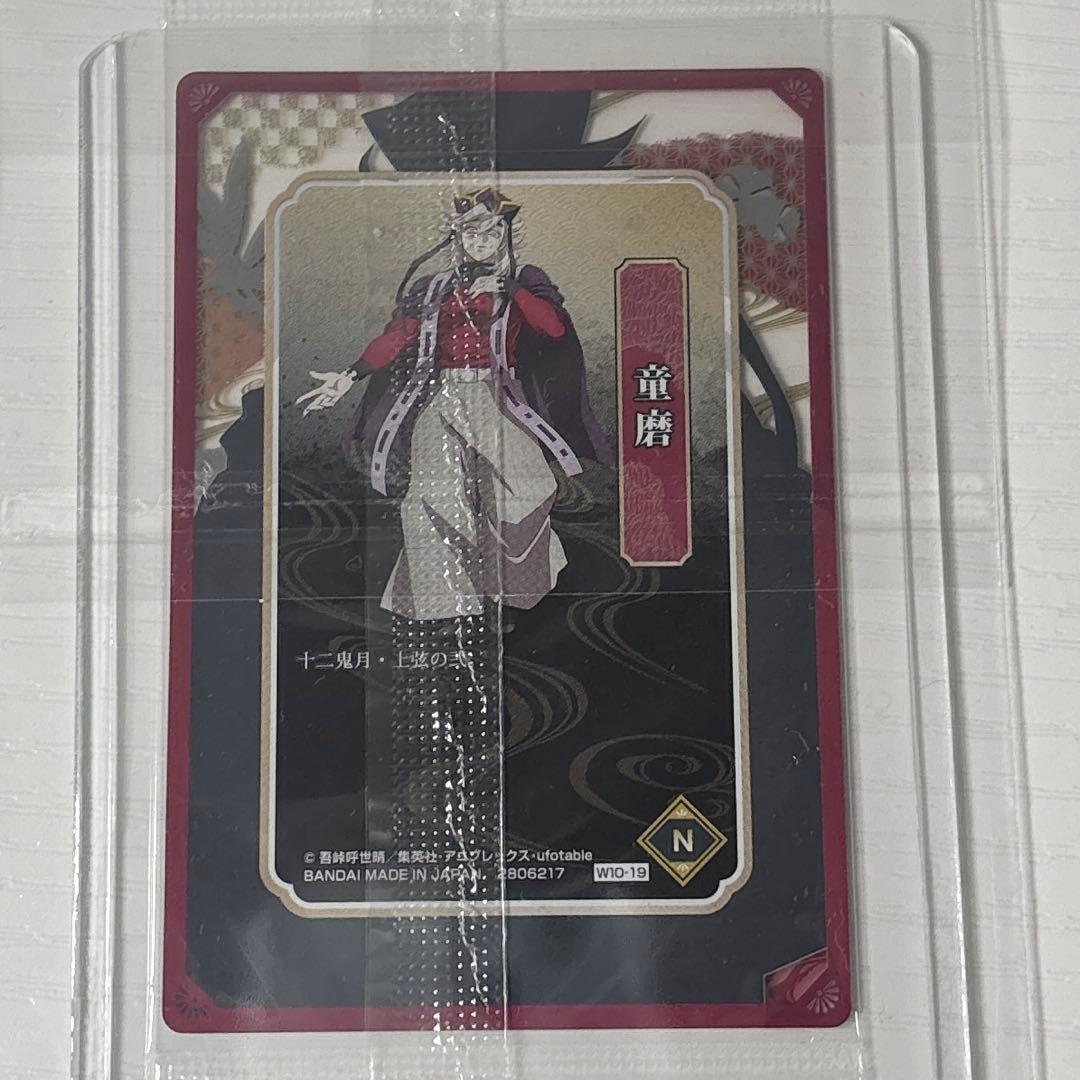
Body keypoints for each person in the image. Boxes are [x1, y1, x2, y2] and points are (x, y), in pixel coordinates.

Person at [297, 186, 610, 621]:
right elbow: (398, 337)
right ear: (457, 236)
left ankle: (517, 590)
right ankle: (443, 605)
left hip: (499, 398)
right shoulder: (433, 286)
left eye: (491, 232)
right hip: (443, 396)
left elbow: (553, 328)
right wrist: (350, 375)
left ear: (506, 235)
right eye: (471, 233)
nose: (481, 241)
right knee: (431, 497)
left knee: (528, 490)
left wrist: (510, 289)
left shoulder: (526, 277)